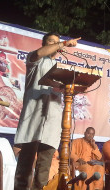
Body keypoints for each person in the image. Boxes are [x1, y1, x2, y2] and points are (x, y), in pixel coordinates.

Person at [14, 32, 80, 190]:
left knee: (44, 171)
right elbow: (39, 53)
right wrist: (63, 43)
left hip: (52, 121)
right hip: (34, 119)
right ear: (44, 44)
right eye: (51, 42)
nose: (55, 45)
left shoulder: (59, 68)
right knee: (25, 166)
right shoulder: (34, 60)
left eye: (56, 42)